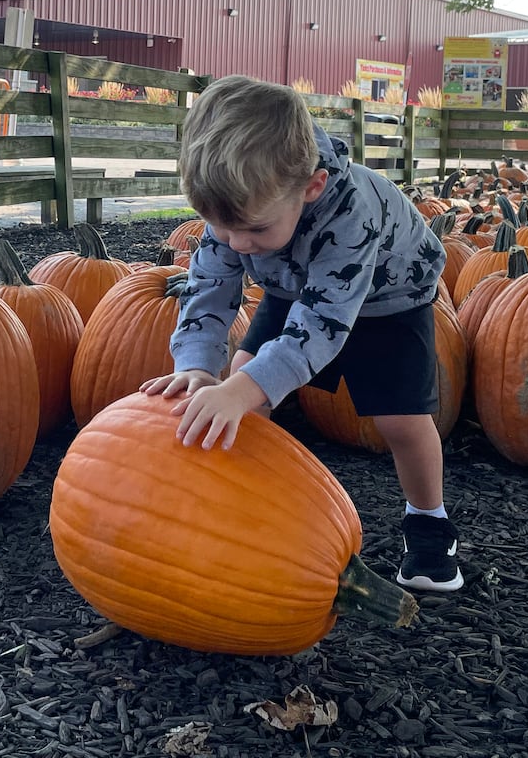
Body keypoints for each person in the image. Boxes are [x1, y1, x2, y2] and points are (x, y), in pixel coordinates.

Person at [142, 75, 463, 593]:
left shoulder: (351, 211)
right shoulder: (237, 207)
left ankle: (429, 522)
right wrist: (197, 367)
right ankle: (241, 512)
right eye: (223, 230)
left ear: (311, 187)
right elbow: (209, 287)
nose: (240, 245)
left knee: (401, 420)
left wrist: (239, 389)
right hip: (295, 284)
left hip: (390, 298)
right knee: (243, 382)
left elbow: (323, 324)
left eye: (256, 230)